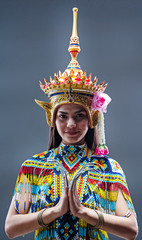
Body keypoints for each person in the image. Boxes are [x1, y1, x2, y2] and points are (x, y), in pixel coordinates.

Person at [5, 8, 138, 240]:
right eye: (62, 116)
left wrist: (86, 213)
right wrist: (54, 212)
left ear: (93, 118)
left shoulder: (109, 169)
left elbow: (132, 230)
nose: (70, 124)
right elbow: (11, 228)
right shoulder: (33, 167)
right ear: (51, 118)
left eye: (79, 115)